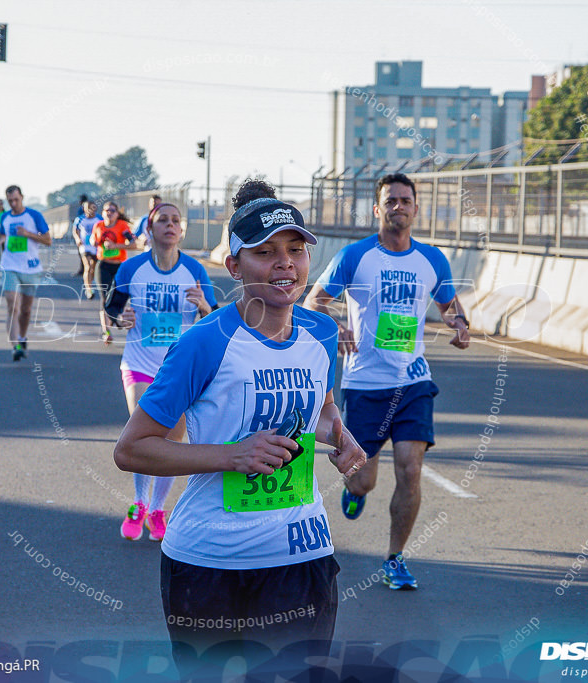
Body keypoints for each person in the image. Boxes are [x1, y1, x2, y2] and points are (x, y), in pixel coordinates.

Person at [114, 193, 366, 674]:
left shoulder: (321, 333)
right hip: (208, 562)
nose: (284, 264)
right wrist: (232, 456)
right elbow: (132, 449)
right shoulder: (203, 342)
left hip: (301, 552)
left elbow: (321, 409)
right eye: (265, 252)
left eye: (295, 249)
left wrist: (340, 433)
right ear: (234, 265)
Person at [304, 172, 471, 591]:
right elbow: (314, 301)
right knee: (364, 478)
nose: (399, 206)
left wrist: (459, 323)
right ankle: (355, 490)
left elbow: (450, 303)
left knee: (410, 469)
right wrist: (335, 320)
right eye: (390, 201)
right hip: (365, 384)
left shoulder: (432, 259)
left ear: (416, 209)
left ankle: (395, 558)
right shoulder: (354, 256)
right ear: (378, 210)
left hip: (414, 382)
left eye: (405, 201)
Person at [104, 202, 218, 542]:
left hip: (179, 371)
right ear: (149, 230)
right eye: (162, 220)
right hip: (138, 363)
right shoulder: (131, 268)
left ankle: (157, 509)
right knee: (144, 435)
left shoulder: (195, 270)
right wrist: (119, 319)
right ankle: (138, 503)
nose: (170, 225)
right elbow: (111, 307)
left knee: (171, 442)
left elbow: (215, 320)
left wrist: (204, 306)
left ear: (181, 230)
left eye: (175, 220)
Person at [0, 185, 52, 361]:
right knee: (13, 305)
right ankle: (16, 347)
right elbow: (2, 235)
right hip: (9, 266)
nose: (13, 203)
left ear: (22, 197)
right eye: (10, 200)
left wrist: (28, 234)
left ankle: (22, 337)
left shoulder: (34, 216)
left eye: (16, 200)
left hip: (31, 268)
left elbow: (48, 240)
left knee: (26, 309)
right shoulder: (5, 217)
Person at [92, 201, 135, 343]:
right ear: (103, 213)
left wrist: (115, 245)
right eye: (106, 210)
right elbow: (93, 239)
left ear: (117, 214)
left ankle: (116, 316)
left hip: (119, 266)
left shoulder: (122, 226)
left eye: (112, 210)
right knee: (105, 298)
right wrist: (93, 241)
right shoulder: (98, 226)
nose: (109, 213)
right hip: (103, 265)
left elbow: (133, 244)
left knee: (118, 297)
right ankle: (107, 331)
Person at [72, 200, 100, 299]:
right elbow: (75, 230)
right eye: (87, 208)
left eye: (91, 207)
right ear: (84, 209)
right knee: (87, 267)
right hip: (85, 246)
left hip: (96, 247)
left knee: (93, 268)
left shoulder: (99, 218)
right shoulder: (79, 219)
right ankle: (89, 290)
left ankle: (90, 283)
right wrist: (77, 239)